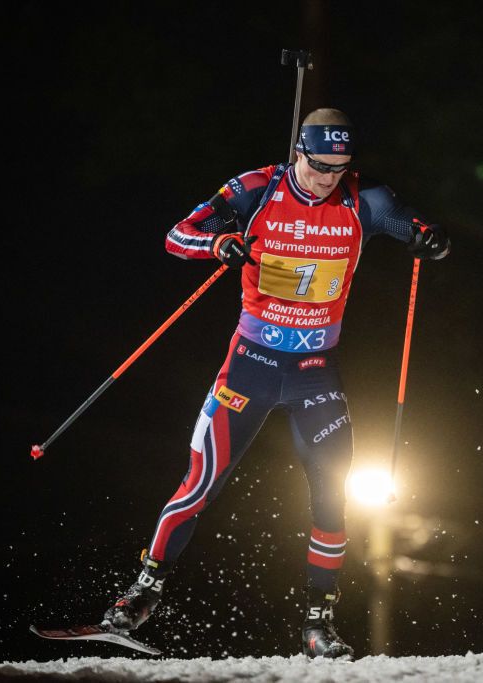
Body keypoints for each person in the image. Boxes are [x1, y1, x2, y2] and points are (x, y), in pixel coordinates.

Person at [102, 108, 449, 658]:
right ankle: (138, 598)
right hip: (250, 369)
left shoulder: (364, 197)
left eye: (339, 169)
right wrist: (217, 246)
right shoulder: (256, 188)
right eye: (319, 168)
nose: (328, 180)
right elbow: (177, 236)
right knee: (200, 482)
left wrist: (429, 238)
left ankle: (318, 625)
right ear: (299, 152)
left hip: (317, 373)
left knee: (333, 494)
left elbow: (415, 226)